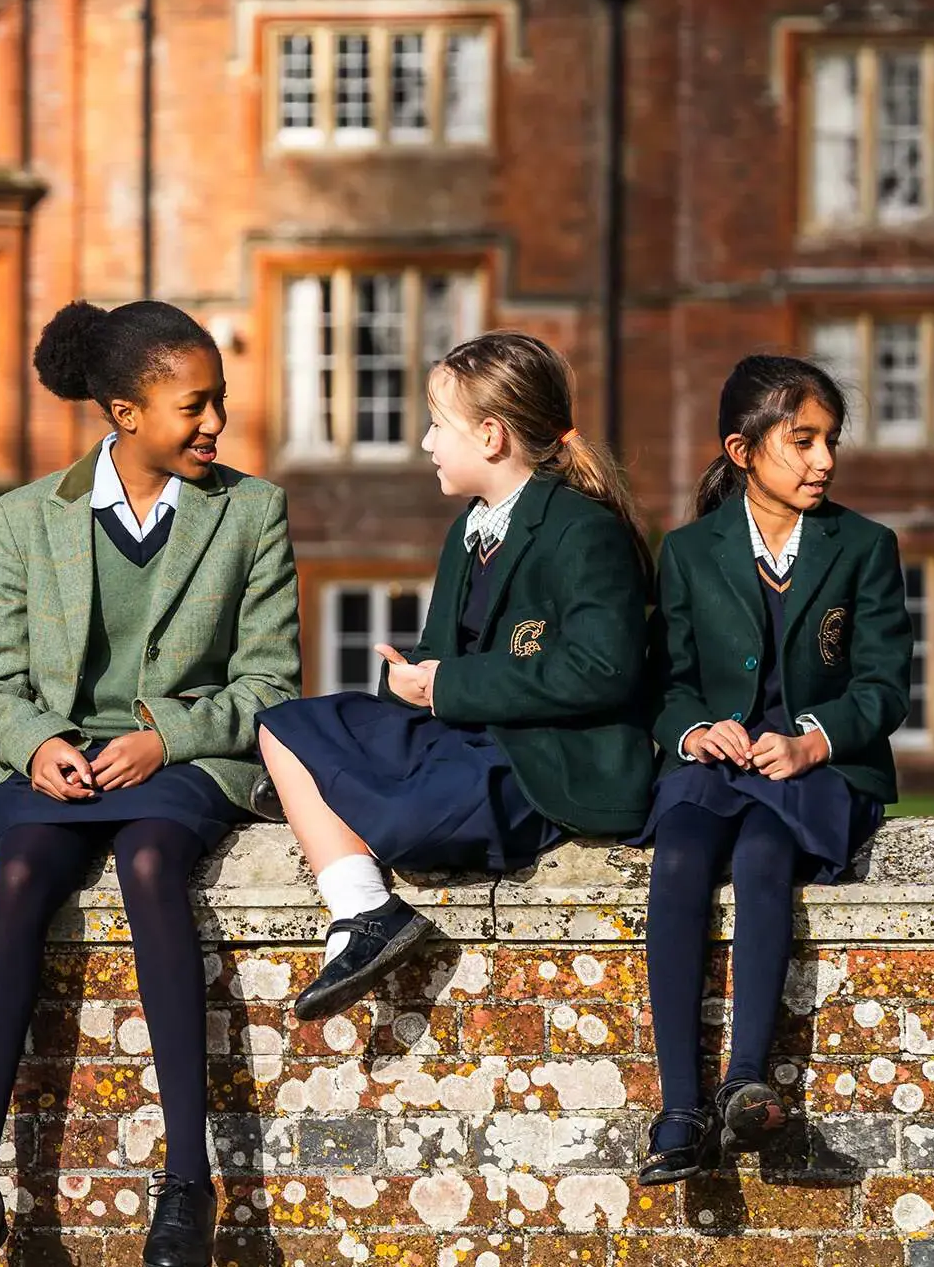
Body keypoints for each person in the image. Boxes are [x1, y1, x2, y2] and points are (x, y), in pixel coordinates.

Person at [0, 301, 299, 1267]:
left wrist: (164, 737)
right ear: (127, 412)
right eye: (196, 405)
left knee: (147, 864)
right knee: (18, 879)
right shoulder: (25, 516)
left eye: (219, 401)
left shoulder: (251, 512)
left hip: (182, 767)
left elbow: (268, 684)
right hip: (59, 768)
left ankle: (187, 1179)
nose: (216, 423)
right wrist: (37, 741)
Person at [257, 332, 654, 1022]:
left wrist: (445, 687)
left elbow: (603, 670)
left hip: (542, 768)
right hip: (474, 741)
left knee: (392, 807)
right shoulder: (469, 529)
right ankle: (365, 911)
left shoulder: (584, 530)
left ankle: (326, 803)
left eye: (439, 425)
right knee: (287, 725)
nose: (424, 442)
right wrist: (410, 682)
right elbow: (441, 662)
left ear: (492, 436)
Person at [636, 355, 911, 1183]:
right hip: (712, 768)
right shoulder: (686, 552)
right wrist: (692, 732)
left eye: (831, 440)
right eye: (804, 440)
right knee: (678, 858)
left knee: (763, 853)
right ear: (744, 448)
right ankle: (679, 1107)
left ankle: (743, 1080)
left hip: (817, 771)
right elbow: (666, 682)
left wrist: (813, 740)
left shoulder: (865, 546)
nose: (825, 459)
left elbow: (885, 686)